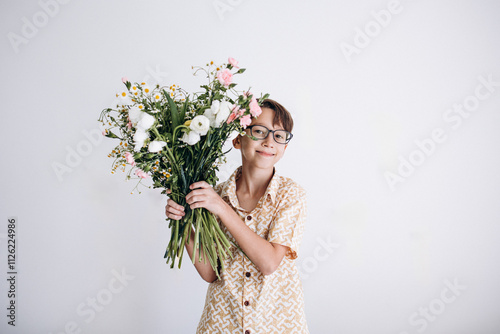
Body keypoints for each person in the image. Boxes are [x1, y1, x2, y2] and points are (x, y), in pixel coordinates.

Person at [165, 99, 309, 333]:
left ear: (285, 146)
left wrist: (222, 209)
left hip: (274, 325)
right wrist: (182, 223)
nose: (269, 142)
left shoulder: (291, 195)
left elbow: (269, 262)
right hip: (222, 323)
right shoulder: (214, 194)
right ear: (237, 139)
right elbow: (211, 273)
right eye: (260, 131)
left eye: (279, 135)